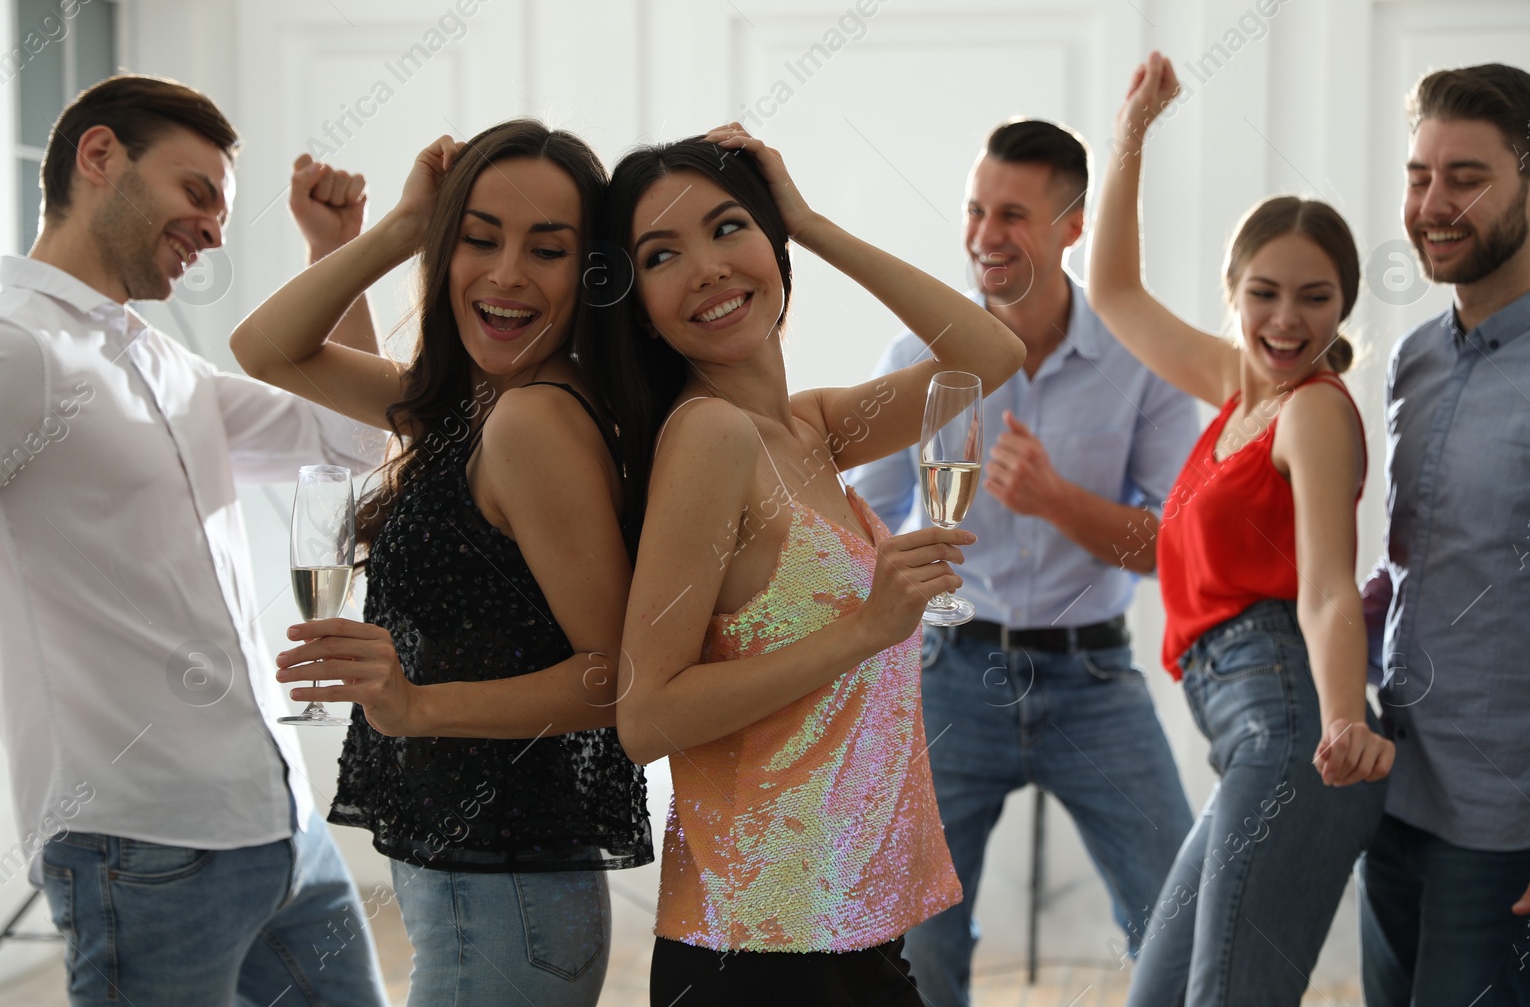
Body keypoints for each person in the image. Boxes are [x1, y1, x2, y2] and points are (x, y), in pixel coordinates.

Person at [595, 124, 1024, 1006]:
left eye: (728, 228)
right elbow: (645, 716)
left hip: (852, 934)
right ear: (639, 302)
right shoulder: (709, 438)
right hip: (758, 950)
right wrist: (868, 627)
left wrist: (808, 221)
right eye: (663, 254)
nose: (709, 267)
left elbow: (989, 355)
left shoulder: (811, 427)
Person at [231, 122, 652, 1006]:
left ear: (593, 274)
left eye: (548, 249)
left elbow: (615, 677)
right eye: (478, 236)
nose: (505, 274)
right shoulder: (477, 401)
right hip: (489, 887)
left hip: (504, 893)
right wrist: (390, 231)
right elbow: (266, 347)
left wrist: (417, 705)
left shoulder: (531, 421)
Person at [0, 75, 387, 1005]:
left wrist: (339, 251)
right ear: (99, 159)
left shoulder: (171, 365)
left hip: (280, 823)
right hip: (141, 843)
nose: (215, 229)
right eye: (198, 192)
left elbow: (354, 436)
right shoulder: (17, 349)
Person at [848, 117, 1198, 1006]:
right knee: (915, 938)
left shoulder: (1140, 362)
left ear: (1073, 225)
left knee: (1179, 916)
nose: (983, 236)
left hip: (1095, 674)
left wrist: (1057, 501)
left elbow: (1177, 551)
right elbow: (864, 518)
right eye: (975, 210)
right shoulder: (920, 360)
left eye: (1012, 214)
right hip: (951, 671)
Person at [1088, 52, 1394, 1006]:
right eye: (1265, 292)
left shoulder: (1311, 411)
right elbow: (1114, 293)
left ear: (1344, 304)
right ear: (1234, 290)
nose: (1288, 318)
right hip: (1245, 729)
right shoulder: (1238, 394)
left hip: (1293, 723)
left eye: (1315, 296)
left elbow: (1330, 586)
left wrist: (1344, 714)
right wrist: (1134, 131)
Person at [1359, 62, 1530, 1006]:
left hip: (1515, 828)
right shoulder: (1414, 359)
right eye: (1420, 176)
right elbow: (1417, 572)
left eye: (1467, 177)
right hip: (1395, 798)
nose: (1432, 203)